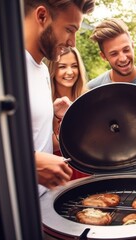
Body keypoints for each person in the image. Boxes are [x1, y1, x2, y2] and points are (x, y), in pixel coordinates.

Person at [23, 0, 95, 195]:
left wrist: (49, 112)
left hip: (44, 201)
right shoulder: (5, 68)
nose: (73, 42)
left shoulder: (44, 70)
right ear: (41, 16)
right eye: (70, 30)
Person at [87, 18, 136, 173]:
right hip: (107, 174)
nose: (122, 58)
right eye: (114, 53)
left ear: (133, 45)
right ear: (103, 56)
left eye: (126, 49)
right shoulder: (93, 90)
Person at [47, 46, 90, 179]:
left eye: (74, 66)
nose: (70, 72)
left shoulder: (88, 99)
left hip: (87, 173)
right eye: (62, 67)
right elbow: (43, 144)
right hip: (58, 174)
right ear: (52, 69)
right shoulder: (45, 104)